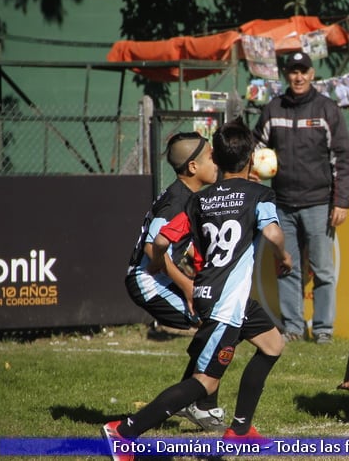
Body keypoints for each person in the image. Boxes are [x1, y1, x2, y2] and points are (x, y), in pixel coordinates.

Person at [102, 120, 293, 461]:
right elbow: (275, 235)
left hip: (216, 294)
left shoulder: (198, 200)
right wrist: (284, 256)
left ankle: (240, 430)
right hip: (224, 303)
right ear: (251, 158)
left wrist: (162, 261)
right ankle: (125, 432)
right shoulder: (259, 194)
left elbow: (160, 241)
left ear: (217, 159)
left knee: (272, 343)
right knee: (204, 382)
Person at [124, 131, 226, 432]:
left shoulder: (187, 195)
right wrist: (186, 285)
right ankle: (196, 402)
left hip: (156, 277)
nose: (216, 161)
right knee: (216, 322)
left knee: (214, 324)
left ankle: (193, 398)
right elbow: (153, 247)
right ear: (193, 167)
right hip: (147, 281)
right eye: (210, 156)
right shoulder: (177, 199)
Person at [252, 51, 349, 345]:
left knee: (322, 271)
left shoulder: (327, 109)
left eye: (303, 71)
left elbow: (343, 159)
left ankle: (323, 330)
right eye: (293, 71)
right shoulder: (273, 109)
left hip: (319, 204)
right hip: (282, 204)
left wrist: (342, 201)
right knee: (287, 267)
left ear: (312, 75)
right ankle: (294, 328)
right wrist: (253, 170)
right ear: (287, 75)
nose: (298, 77)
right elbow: (256, 148)